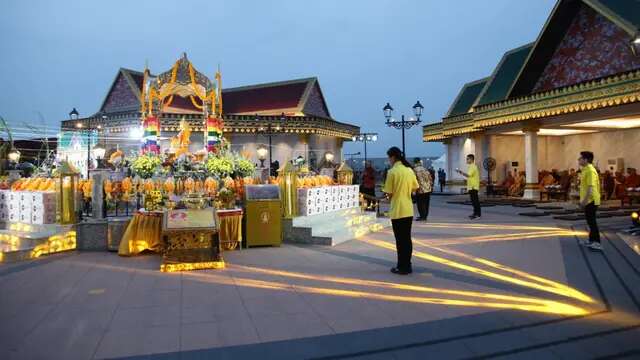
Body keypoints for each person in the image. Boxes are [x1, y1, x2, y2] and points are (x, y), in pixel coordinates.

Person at [382, 147, 419, 275]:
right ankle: (407, 265)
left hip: (397, 210)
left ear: (392, 157)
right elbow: (415, 188)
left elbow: (389, 192)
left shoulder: (392, 172)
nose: (389, 160)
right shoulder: (409, 170)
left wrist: (388, 198)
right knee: (407, 239)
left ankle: (401, 266)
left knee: (400, 240)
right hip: (408, 209)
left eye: (389, 158)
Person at [578, 151, 602, 251]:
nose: (578, 160)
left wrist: (584, 201)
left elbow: (590, 188)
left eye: (580, 158)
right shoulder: (585, 169)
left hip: (592, 200)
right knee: (589, 221)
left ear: (586, 160)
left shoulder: (590, 170)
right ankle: (591, 240)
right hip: (588, 200)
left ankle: (597, 242)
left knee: (592, 222)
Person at [456, 154, 481, 219]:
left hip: (473, 187)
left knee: (475, 201)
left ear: (472, 159)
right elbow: (470, 176)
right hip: (471, 186)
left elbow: (468, 175)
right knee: (473, 201)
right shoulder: (471, 166)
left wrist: (460, 172)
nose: (466, 160)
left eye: (468, 159)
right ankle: (475, 213)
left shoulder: (473, 166)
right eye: (466, 159)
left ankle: (477, 215)